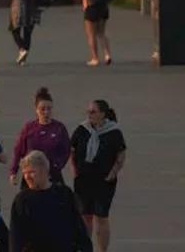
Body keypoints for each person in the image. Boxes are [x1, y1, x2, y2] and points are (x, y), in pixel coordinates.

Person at [9, 150, 94, 251]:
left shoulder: (64, 193)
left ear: (44, 171)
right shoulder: (22, 200)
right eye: (24, 173)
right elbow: (16, 236)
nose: (27, 177)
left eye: (31, 172)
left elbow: (78, 225)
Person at [71, 99, 127, 251]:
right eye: (88, 111)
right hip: (83, 181)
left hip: (104, 181)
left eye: (93, 112)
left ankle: (102, 249)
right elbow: (72, 149)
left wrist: (114, 172)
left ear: (102, 114)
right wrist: (74, 170)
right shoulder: (82, 129)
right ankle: (85, 247)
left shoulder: (114, 132)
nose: (89, 114)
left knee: (101, 217)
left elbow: (121, 154)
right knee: (85, 216)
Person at [10, 87, 70, 189]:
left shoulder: (59, 128)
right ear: (36, 110)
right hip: (30, 176)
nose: (46, 112)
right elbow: (18, 150)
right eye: (42, 109)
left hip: (52, 175)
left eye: (49, 109)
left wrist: (58, 165)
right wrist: (13, 172)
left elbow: (66, 150)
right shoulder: (29, 128)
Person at [73, 0, 111, 67]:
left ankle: (95, 58)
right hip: (103, 7)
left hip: (91, 8)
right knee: (101, 32)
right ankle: (107, 55)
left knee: (91, 34)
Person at [5, 0, 42, 65]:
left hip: (18, 6)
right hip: (32, 6)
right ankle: (24, 55)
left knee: (14, 29)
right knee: (28, 32)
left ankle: (22, 49)